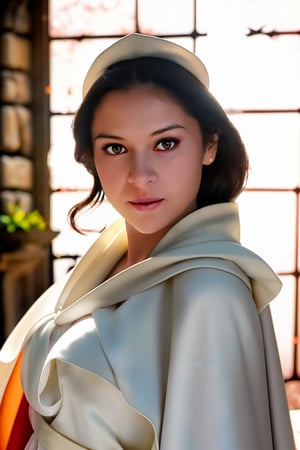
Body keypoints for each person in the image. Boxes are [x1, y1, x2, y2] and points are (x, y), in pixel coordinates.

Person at [0, 33, 295, 450]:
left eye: (166, 143)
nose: (140, 175)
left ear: (210, 144)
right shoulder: (100, 269)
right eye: (116, 148)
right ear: (92, 157)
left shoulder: (209, 291)